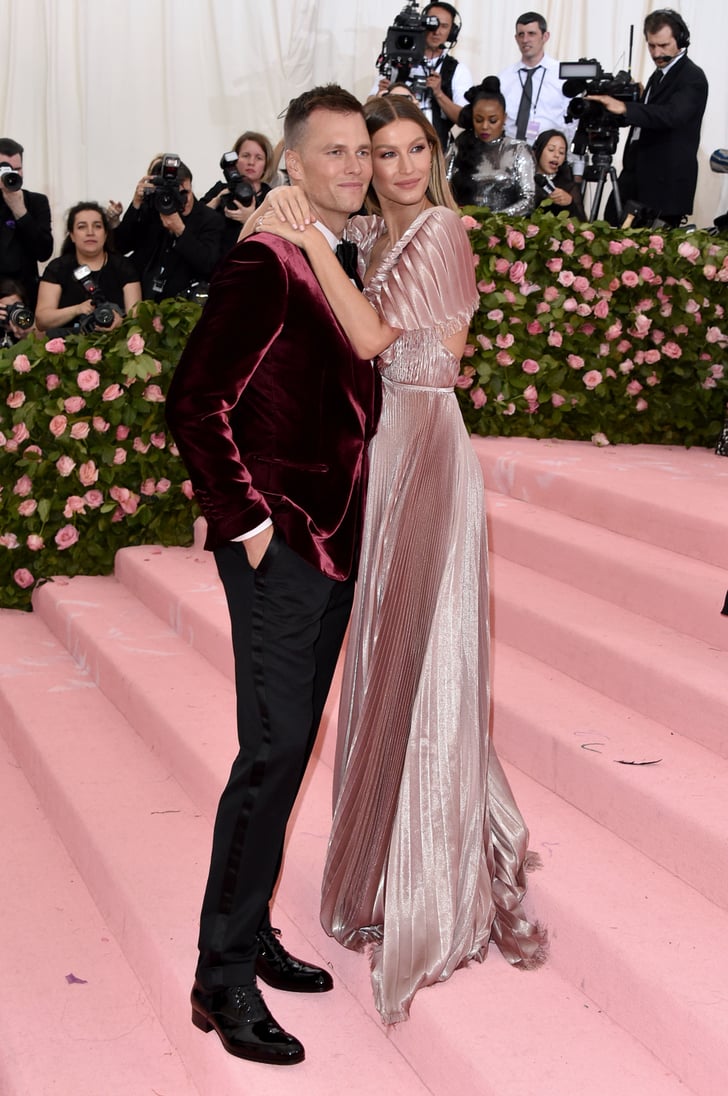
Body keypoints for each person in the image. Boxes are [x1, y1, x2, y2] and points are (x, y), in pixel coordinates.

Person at [256, 94, 546, 1025]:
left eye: (418, 147)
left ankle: (435, 878)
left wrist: (306, 244)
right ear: (367, 167)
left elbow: (378, 339)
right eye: (386, 153)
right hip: (382, 451)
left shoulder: (442, 231)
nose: (406, 165)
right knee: (383, 664)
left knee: (425, 656)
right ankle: (386, 868)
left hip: (425, 450)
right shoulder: (381, 241)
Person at [164, 85, 380, 1067]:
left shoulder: (336, 258)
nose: (350, 165)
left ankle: (247, 930)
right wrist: (247, 522)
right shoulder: (264, 260)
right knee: (271, 749)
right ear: (289, 164)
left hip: (334, 541)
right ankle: (219, 975)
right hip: (281, 544)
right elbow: (196, 400)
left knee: (290, 748)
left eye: (360, 152)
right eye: (329, 151)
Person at [588, 10, 708, 228]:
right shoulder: (659, 75)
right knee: (609, 233)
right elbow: (647, 117)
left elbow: (672, 115)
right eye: (652, 46)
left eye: (663, 45)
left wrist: (625, 107)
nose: (657, 53)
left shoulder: (692, 77)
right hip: (635, 178)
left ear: (681, 40)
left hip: (663, 187)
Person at [114, 158, 223, 300]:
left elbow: (209, 266)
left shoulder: (209, 219)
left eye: (186, 193)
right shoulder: (152, 210)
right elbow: (121, 246)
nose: (184, 200)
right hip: (144, 301)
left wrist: (181, 231)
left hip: (186, 305)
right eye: (176, 194)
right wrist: (136, 204)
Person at [371, 3, 473, 150]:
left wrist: (439, 94)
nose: (436, 31)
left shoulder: (457, 70)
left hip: (436, 147)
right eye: (432, 24)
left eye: (444, 26)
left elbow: (463, 119)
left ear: (452, 32)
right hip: (395, 143)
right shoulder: (397, 60)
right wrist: (380, 96)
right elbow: (369, 104)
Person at [35, 202, 141, 334]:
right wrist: (78, 309)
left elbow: (136, 318)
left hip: (115, 346)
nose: (90, 232)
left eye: (97, 226)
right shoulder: (58, 268)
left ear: (106, 233)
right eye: (82, 227)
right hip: (66, 346)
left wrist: (121, 323)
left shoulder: (123, 267)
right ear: (72, 235)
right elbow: (42, 320)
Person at [446, 77, 536, 214]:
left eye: (493, 120)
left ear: (504, 118)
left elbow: (529, 200)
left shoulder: (518, 150)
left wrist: (493, 220)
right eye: (479, 120)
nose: (485, 127)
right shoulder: (457, 148)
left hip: (506, 229)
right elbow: (441, 190)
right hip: (461, 225)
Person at [498, 12, 576, 147]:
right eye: (521, 34)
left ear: (545, 36)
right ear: (516, 38)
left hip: (548, 155)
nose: (525, 39)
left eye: (531, 33)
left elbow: (573, 122)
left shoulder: (562, 75)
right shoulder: (504, 78)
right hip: (509, 153)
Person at [202, 131, 276, 256]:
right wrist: (216, 201)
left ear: (266, 165)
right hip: (218, 266)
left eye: (259, 158)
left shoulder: (272, 197)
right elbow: (195, 221)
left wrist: (250, 219)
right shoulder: (220, 189)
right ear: (235, 160)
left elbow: (276, 241)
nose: (251, 162)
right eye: (246, 156)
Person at [0, 138, 53, 307]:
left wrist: (20, 211)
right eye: (5, 169)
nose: (12, 174)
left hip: (26, 294)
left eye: (17, 169)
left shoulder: (37, 202)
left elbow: (44, 251)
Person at [532, 129, 586, 220]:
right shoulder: (524, 179)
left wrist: (570, 203)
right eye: (551, 149)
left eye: (561, 152)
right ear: (538, 151)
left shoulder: (569, 187)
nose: (557, 155)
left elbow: (583, 225)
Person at [0, 276, 35, 346]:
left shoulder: (30, 326)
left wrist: (27, 336)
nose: (13, 313)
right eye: (8, 308)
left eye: (16, 308)